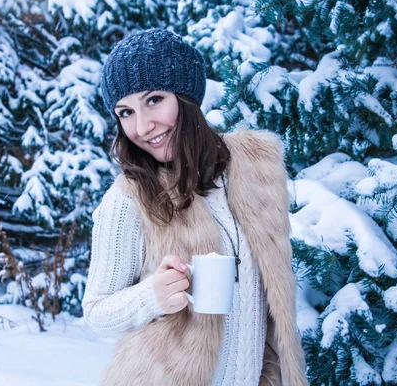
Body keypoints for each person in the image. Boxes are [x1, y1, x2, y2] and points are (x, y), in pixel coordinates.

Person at [82, 28, 308, 386]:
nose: (142, 127)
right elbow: (96, 312)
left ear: (186, 97)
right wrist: (151, 296)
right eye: (125, 112)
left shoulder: (254, 170)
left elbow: (269, 305)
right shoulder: (128, 199)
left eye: (154, 100)